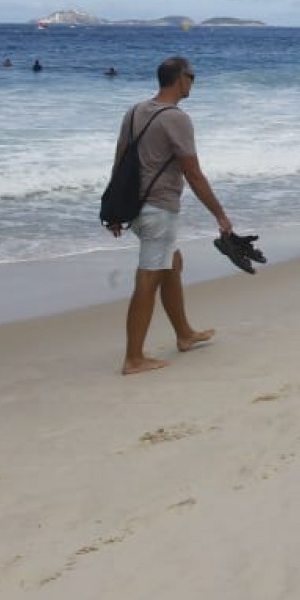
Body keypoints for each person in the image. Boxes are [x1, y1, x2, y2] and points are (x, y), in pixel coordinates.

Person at [108, 56, 232, 376]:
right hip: (158, 209)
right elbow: (194, 173)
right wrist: (219, 214)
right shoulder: (176, 118)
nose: (193, 82)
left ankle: (185, 334)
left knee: (172, 264)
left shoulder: (135, 111)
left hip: (135, 208)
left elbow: (120, 161)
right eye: (193, 76)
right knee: (148, 279)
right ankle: (134, 358)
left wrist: (114, 210)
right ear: (181, 79)